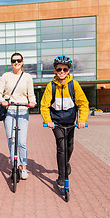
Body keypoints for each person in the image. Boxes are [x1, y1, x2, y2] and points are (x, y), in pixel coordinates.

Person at [40, 55, 89, 189]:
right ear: (55, 70)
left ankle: (65, 164)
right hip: (56, 122)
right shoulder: (51, 86)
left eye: (65, 69)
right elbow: (44, 105)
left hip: (70, 121)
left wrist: (82, 120)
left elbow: (83, 103)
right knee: (61, 147)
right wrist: (48, 120)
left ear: (68, 71)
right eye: (59, 69)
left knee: (69, 147)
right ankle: (61, 177)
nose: (62, 72)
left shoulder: (74, 85)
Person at [0, 52, 36, 180]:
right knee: (12, 140)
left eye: (18, 60)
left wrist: (32, 102)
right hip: (10, 111)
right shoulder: (6, 76)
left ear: (22, 62)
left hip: (23, 110)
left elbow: (31, 95)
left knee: (22, 142)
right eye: (13, 61)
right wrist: (2, 100)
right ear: (11, 63)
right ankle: (15, 166)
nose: (16, 63)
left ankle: (23, 167)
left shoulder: (27, 77)